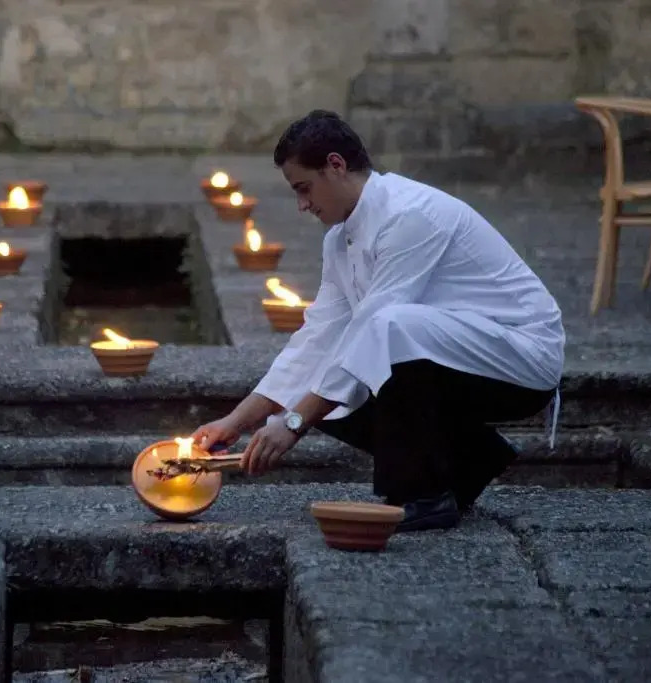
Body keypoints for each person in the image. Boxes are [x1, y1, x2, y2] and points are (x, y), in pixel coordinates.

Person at [191, 110, 565, 532]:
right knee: (328, 388)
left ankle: (422, 497)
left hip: (521, 359)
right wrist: (236, 422)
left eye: (304, 189)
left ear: (335, 165)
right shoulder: (339, 240)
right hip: (453, 356)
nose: (302, 206)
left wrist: (293, 425)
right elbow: (315, 340)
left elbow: (376, 328)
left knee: (380, 336)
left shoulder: (411, 214)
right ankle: (469, 460)